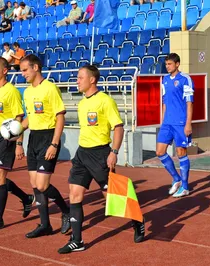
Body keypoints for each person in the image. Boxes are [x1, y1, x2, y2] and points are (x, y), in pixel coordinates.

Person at [57, 65, 145, 254]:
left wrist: (114, 152)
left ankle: (137, 220)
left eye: (80, 77)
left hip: (100, 155)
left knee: (112, 198)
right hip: (82, 154)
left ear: (92, 80)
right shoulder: (81, 103)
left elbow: (119, 127)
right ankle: (77, 240)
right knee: (74, 194)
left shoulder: (105, 101)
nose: (77, 81)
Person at [19, 54, 70, 238]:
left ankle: (66, 210)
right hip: (33, 137)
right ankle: (45, 225)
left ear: (35, 67)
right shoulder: (27, 92)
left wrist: (54, 144)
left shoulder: (50, 88)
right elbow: (30, 118)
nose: (22, 74)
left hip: (48, 137)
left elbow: (60, 116)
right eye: (21, 71)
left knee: (42, 184)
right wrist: (14, 132)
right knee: (34, 184)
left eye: (25, 70)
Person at [0, 57, 34, 232]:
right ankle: (26, 198)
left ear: (5, 71)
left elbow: (19, 117)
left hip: (7, 137)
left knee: (0, 179)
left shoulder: (12, 91)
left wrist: (19, 142)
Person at [156, 53, 194, 198]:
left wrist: (188, 124)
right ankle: (176, 178)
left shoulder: (185, 79)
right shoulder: (164, 80)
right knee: (160, 152)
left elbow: (190, 102)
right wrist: (163, 120)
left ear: (177, 64)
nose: (167, 67)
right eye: (166, 64)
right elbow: (164, 101)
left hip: (180, 123)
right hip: (167, 123)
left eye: (170, 64)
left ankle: (185, 186)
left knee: (181, 153)